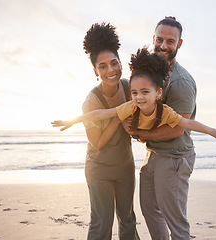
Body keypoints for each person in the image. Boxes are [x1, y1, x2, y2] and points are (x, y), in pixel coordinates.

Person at [52, 23, 139, 240]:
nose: (110, 70)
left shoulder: (129, 87)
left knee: (128, 219)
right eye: (102, 66)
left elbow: (137, 122)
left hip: (125, 166)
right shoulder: (91, 102)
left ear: (120, 63)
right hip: (99, 169)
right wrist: (117, 116)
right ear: (95, 71)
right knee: (102, 222)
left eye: (114, 63)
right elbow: (97, 142)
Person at [52, 48, 216, 142]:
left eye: (145, 92)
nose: (139, 97)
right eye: (134, 92)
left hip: (166, 147)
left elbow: (187, 123)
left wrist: (213, 131)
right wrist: (73, 121)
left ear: (158, 94)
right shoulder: (131, 106)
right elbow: (100, 113)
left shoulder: (165, 112)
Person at [127, 16, 203, 240]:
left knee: (176, 222)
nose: (163, 45)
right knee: (150, 210)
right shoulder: (151, 73)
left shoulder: (181, 82)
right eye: (159, 39)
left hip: (174, 158)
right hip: (154, 154)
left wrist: (140, 134)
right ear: (153, 39)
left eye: (170, 41)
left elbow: (177, 129)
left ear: (179, 44)